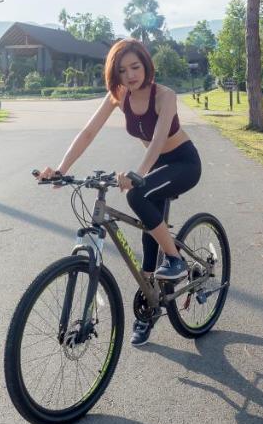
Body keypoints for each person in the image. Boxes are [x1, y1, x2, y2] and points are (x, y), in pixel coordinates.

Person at [38, 39, 202, 346]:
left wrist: (138, 173)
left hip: (182, 162)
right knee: (146, 226)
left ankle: (175, 258)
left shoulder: (165, 96)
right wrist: (61, 169)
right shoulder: (119, 95)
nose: (130, 75)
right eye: (122, 69)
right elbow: (88, 131)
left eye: (135, 67)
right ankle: (149, 309)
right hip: (154, 167)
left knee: (137, 196)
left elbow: (156, 141)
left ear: (146, 65)